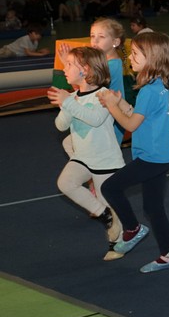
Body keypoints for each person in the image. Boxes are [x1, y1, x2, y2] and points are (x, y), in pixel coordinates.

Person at [98, 31, 169, 273]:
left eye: (135, 54)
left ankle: (132, 228)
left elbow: (131, 125)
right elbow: (139, 114)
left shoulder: (149, 90)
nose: (130, 58)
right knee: (153, 207)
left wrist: (112, 106)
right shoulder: (160, 85)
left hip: (151, 157)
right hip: (162, 155)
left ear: (152, 58)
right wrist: (120, 103)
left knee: (110, 188)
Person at [47, 46, 124, 247]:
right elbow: (60, 125)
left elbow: (95, 119)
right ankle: (104, 214)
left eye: (69, 65)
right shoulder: (73, 97)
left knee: (107, 200)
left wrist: (69, 103)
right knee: (66, 183)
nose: (65, 69)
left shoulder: (104, 94)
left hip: (104, 160)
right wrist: (66, 105)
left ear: (85, 70)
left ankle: (117, 243)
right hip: (83, 157)